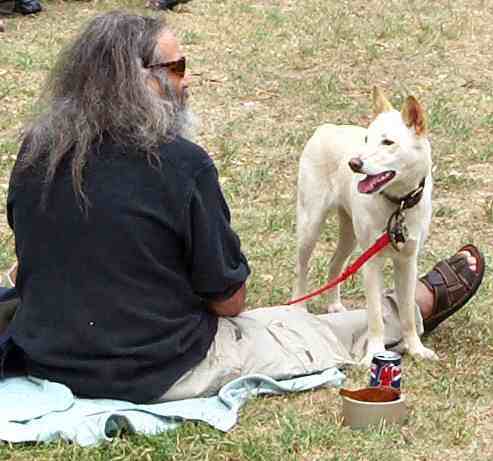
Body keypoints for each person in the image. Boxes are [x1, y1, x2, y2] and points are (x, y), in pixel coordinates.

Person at [1, 12, 485, 404]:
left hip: (50, 356)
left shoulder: (35, 152)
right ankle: (415, 304)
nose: (188, 82)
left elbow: (30, 257)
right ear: (134, 82)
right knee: (306, 330)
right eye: (177, 68)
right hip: (157, 368)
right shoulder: (183, 165)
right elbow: (230, 301)